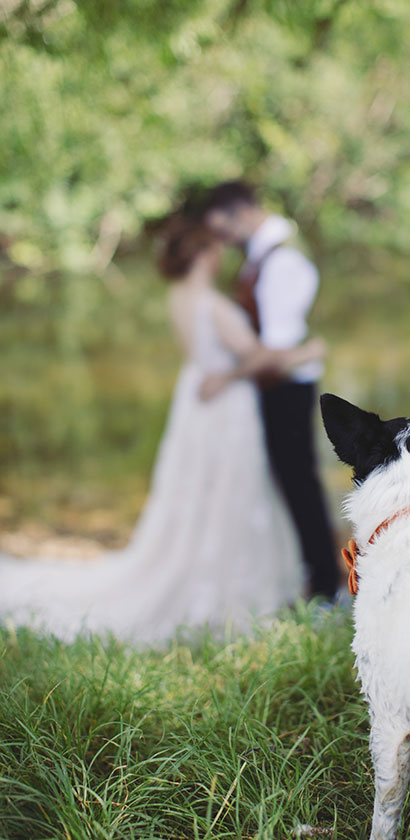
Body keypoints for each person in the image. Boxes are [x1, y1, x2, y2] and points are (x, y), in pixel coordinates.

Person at [0, 196, 324, 643]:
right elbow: (258, 358)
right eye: (217, 249)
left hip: (194, 403)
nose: (224, 255)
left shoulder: (177, 299)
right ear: (205, 255)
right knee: (231, 491)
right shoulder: (215, 307)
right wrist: (308, 352)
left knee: (198, 493)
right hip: (226, 405)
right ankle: (235, 588)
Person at [203, 181, 340, 602]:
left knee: (299, 485)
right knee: (291, 483)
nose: (223, 243)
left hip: (287, 389)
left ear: (241, 213)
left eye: (223, 231)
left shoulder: (280, 262)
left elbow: (278, 353)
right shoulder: (266, 255)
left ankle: (326, 586)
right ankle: (317, 577)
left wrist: (225, 378)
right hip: (277, 386)